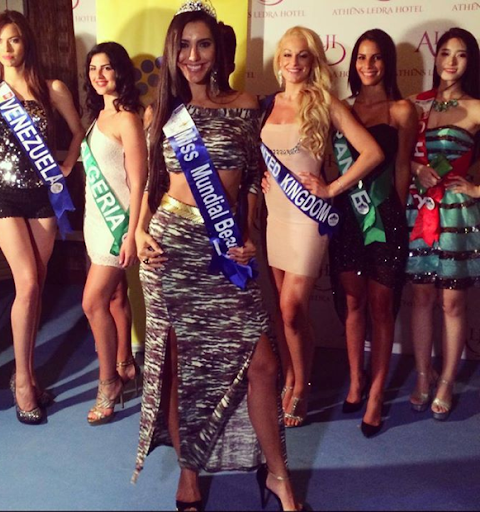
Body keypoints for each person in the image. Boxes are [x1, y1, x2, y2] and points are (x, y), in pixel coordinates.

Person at [134, 3, 304, 511]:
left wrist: (248, 230)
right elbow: (149, 182)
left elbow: (251, 176)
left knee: (263, 364)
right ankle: (188, 475)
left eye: (203, 44)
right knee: (181, 366)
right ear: (173, 52)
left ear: (218, 49)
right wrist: (138, 230)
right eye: (184, 45)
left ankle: (279, 478)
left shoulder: (246, 104)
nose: (193, 55)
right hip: (172, 250)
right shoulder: (161, 113)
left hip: (225, 251)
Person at [260, 26, 384, 428]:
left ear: (313, 61)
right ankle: (292, 374)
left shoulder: (324, 102)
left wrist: (331, 188)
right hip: (274, 214)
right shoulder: (268, 103)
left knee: (291, 308)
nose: (294, 63)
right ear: (278, 60)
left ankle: (301, 386)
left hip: (308, 217)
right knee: (285, 314)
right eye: (287, 55)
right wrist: (261, 177)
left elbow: (372, 152)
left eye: (303, 55)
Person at [0, 10, 84, 424]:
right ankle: (22, 383)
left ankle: (28, 372)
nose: (7, 48)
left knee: (34, 289)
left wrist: (67, 163)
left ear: (25, 42)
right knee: (29, 282)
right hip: (1, 197)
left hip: (42, 197)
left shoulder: (51, 88)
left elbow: (78, 131)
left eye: (14, 39)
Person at [328, 29, 417, 437]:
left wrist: (396, 215)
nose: (368, 65)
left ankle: (377, 395)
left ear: (388, 63)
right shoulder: (341, 109)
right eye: (362, 57)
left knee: (382, 307)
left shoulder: (402, 110)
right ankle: (356, 380)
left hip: (384, 219)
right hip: (348, 220)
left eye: (376, 57)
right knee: (353, 303)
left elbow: (402, 166)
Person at [406, 27, 480, 421]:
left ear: (471, 61)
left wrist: (476, 189)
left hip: (455, 214)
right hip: (419, 211)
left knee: (452, 301)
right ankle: (423, 375)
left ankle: (448, 380)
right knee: (421, 297)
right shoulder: (416, 105)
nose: (451, 61)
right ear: (435, 57)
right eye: (445, 52)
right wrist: (415, 167)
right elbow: (393, 154)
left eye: (461, 54)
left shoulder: (476, 107)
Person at [81, 42, 147, 425]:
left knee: (93, 303)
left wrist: (132, 231)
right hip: (95, 221)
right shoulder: (99, 116)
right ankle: (125, 364)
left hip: (117, 224)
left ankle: (108, 383)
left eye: (106, 68)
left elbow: (139, 182)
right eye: (93, 69)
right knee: (116, 297)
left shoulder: (127, 119)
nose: (99, 75)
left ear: (120, 71)